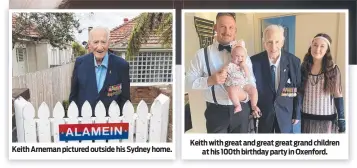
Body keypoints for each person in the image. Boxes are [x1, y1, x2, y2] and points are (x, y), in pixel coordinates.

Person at [186, 13, 256, 133]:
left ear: (235, 30)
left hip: (241, 111)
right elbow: (188, 82)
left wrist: (244, 96)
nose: (227, 31)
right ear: (215, 28)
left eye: (231, 27)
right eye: (222, 26)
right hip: (216, 113)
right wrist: (210, 80)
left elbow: (251, 82)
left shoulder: (243, 54)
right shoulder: (201, 55)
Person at [69, 26, 130, 117]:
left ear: (108, 43)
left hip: (112, 125)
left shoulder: (121, 65)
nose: (100, 47)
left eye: (103, 42)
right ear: (89, 44)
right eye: (96, 42)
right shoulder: (80, 63)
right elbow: (73, 96)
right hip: (85, 124)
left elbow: (125, 100)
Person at [251, 24, 301, 133]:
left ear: (282, 42)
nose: (273, 47)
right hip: (263, 114)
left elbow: (297, 89)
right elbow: (249, 87)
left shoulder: (294, 61)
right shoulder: (253, 62)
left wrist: (296, 114)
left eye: (277, 42)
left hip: (285, 114)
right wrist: (252, 108)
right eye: (269, 42)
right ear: (264, 43)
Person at [299, 33, 345, 133]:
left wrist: (341, 118)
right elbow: (298, 91)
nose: (317, 49)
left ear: (327, 50)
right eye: (315, 45)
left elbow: (338, 94)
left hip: (326, 120)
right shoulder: (303, 67)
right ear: (311, 46)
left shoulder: (333, 69)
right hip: (306, 117)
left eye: (322, 46)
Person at [225, 40, 260, 113]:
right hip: (234, 85)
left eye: (242, 56)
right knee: (231, 91)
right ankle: (237, 105)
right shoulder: (230, 65)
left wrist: (244, 67)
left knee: (253, 90)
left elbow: (249, 76)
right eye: (237, 56)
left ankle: (254, 105)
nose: (240, 58)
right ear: (232, 56)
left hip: (244, 84)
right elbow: (224, 72)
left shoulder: (245, 65)